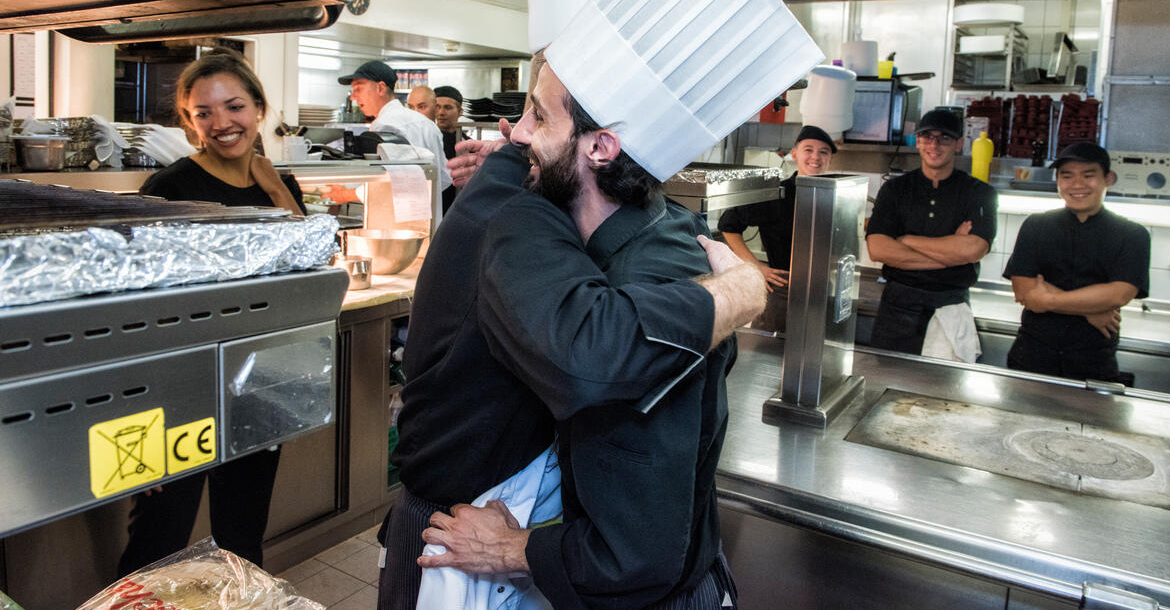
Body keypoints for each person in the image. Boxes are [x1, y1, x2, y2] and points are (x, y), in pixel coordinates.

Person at [380, 57, 762, 610]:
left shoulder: (624, 277)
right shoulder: (659, 225)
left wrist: (516, 550)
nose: (516, 134)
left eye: (537, 114)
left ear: (601, 147)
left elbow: (635, 556)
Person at [118, 47, 304, 574]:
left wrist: (274, 188)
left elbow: (303, 268)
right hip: (181, 385)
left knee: (243, 535)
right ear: (189, 122)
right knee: (158, 538)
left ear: (259, 108)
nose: (222, 123)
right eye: (205, 113)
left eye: (235, 106)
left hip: (258, 378)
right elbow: (140, 302)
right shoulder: (170, 188)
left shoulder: (278, 184)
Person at [1003, 143, 1150, 381]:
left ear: (1108, 179)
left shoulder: (1133, 235)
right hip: (1030, 360)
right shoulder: (1036, 226)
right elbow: (1024, 291)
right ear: (1058, 180)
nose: (1077, 184)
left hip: (1093, 365)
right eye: (1067, 176)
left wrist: (1047, 299)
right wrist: (1090, 311)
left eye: (1088, 175)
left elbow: (1119, 294)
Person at [865, 108, 998, 355]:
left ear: (958, 144)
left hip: (951, 305)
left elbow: (973, 249)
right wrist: (952, 256)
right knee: (889, 380)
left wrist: (906, 240)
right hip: (897, 307)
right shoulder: (895, 190)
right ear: (918, 141)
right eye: (927, 137)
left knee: (946, 389)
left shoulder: (980, 193)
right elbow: (878, 249)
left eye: (944, 138)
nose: (935, 145)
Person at [717, 125, 837, 329]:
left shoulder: (835, 195)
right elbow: (728, 226)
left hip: (822, 288)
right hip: (783, 289)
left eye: (823, 152)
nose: (815, 157)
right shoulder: (775, 193)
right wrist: (756, 267)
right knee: (770, 354)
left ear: (829, 159)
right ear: (794, 153)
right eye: (808, 149)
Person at [339, 62, 451, 212]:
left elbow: (389, 183)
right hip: (429, 224)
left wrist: (347, 194)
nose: (353, 97)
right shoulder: (428, 124)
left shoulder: (385, 125)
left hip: (398, 225)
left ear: (380, 88)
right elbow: (444, 178)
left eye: (358, 88)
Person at [433, 85, 468, 162]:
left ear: (460, 112)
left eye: (447, 107)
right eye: (437, 107)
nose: (441, 112)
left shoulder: (467, 144)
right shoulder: (430, 140)